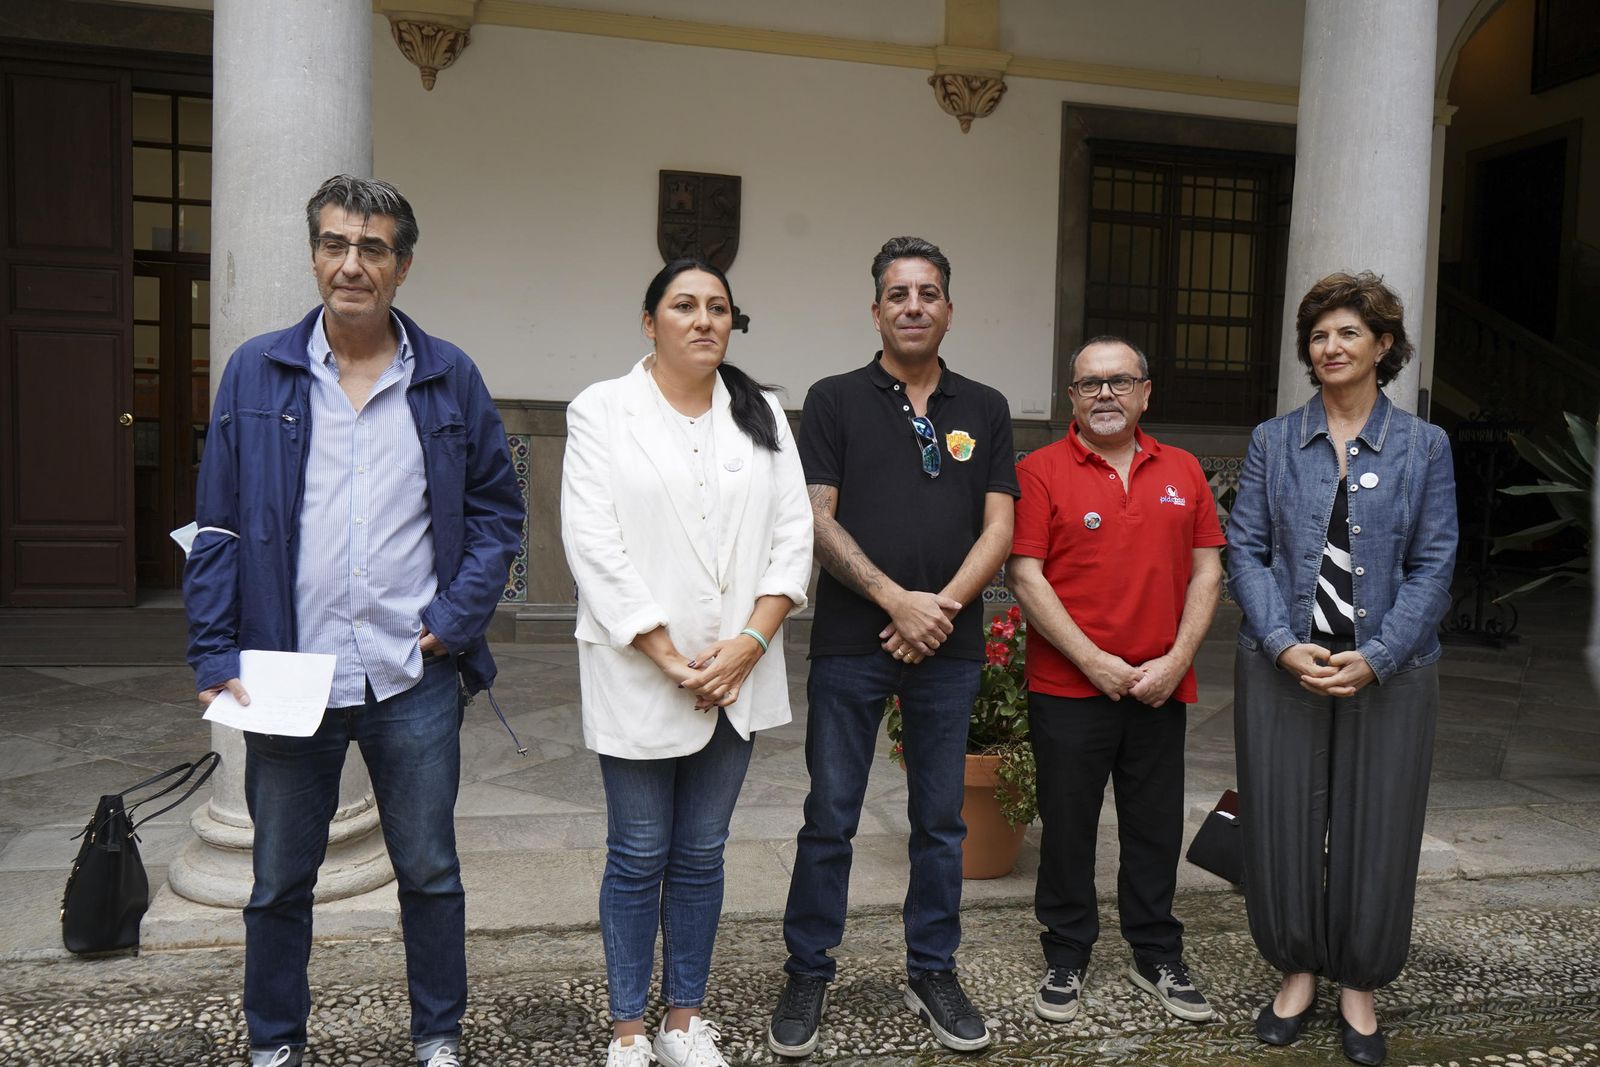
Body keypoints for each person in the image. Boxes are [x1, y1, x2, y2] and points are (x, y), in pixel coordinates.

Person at [184, 176, 525, 1067]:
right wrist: (214, 647)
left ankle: (438, 1036)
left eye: (373, 248)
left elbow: (498, 513)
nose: (352, 264)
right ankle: (274, 1042)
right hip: (289, 671)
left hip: (411, 672)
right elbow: (215, 521)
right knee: (277, 881)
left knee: (430, 871)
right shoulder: (257, 370)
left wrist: (455, 620)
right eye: (336, 244)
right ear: (313, 255)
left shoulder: (449, 375)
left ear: (402, 266)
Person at [768, 236, 1017, 1058]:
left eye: (929, 292)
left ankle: (932, 968)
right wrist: (893, 600)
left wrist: (937, 609)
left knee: (941, 822)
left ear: (949, 307)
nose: (914, 305)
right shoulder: (834, 399)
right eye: (899, 293)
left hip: (947, 646)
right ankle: (809, 969)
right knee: (829, 816)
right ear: (875, 308)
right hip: (851, 640)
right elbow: (814, 513)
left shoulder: (984, 406)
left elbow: (1001, 526)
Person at [561, 258, 812, 1067]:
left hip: (737, 672)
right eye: (684, 305)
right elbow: (592, 544)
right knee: (638, 852)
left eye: (718, 308)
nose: (704, 320)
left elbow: (793, 535)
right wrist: (667, 653)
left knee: (703, 852)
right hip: (641, 668)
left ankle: (683, 1021)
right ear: (649, 321)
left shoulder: (761, 412)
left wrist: (750, 642)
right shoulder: (603, 410)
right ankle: (628, 1029)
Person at [1228, 272, 1458, 1065]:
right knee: (1282, 819)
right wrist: (1280, 641)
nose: (1330, 346)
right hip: (1284, 663)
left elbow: (1434, 563)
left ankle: (1358, 982)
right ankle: (1296, 970)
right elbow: (1247, 549)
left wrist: (1383, 654)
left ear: (1383, 346)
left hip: (1389, 670)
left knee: (1379, 826)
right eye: (1319, 335)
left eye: (1348, 333)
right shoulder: (1271, 441)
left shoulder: (1427, 446)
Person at [1006, 336, 1225, 1027]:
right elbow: (1025, 574)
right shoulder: (1039, 470)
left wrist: (1176, 660)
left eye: (1120, 381)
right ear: (1071, 396)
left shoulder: (1184, 469)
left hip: (1161, 684)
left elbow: (1208, 570)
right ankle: (1067, 952)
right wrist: (1094, 661)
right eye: (1090, 383)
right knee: (1068, 828)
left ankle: (1155, 950)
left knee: (1155, 826)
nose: (1105, 393)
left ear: (1145, 392)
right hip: (1069, 688)